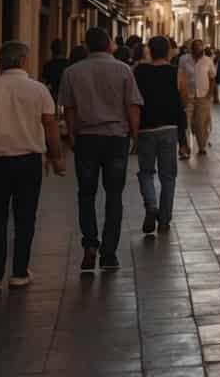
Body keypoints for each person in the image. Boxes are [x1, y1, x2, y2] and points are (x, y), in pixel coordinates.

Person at [0, 41, 64, 291]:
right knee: (25, 217)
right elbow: (50, 125)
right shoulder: (39, 90)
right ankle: (20, 272)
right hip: (28, 162)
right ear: (23, 61)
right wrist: (57, 157)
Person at [59, 27, 143, 272]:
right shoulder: (124, 70)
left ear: (86, 46)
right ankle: (109, 253)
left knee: (86, 194)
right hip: (116, 139)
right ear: (109, 45)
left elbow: (69, 109)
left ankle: (90, 245)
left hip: (86, 139)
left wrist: (73, 135)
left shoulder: (72, 72)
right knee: (114, 195)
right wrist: (135, 136)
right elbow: (133, 106)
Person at [134, 36, 186, 236]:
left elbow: (133, 102)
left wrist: (133, 132)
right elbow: (182, 105)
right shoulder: (176, 73)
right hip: (169, 130)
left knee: (146, 172)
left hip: (145, 130)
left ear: (150, 51)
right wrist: (183, 140)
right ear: (167, 52)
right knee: (168, 176)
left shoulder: (139, 72)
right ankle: (164, 219)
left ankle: (151, 205)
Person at [176, 39, 215, 156]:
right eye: (196, 47)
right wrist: (180, 93)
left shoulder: (208, 61)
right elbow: (180, 77)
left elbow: (212, 78)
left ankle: (202, 146)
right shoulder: (183, 60)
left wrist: (210, 94)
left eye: (200, 47)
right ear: (192, 49)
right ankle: (186, 148)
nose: (199, 49)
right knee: (186, 124)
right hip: (187, 96)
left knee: (201, 123)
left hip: (203, 96)